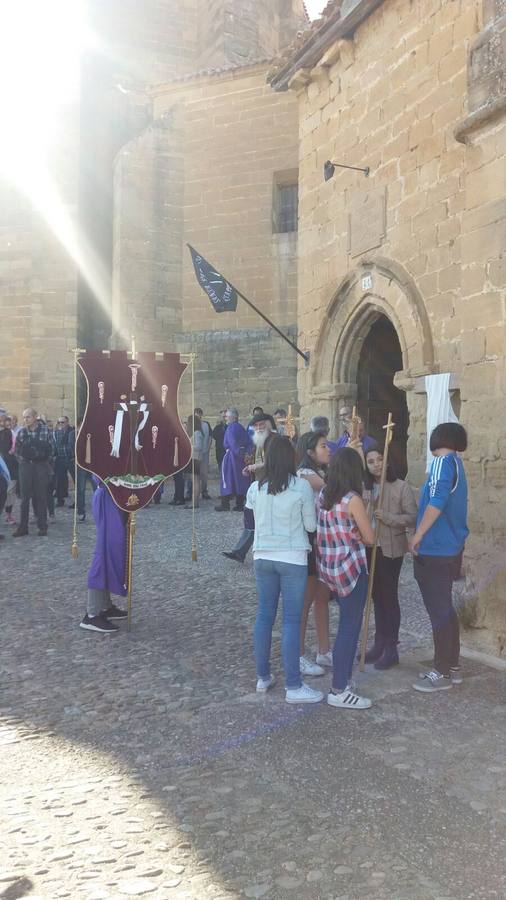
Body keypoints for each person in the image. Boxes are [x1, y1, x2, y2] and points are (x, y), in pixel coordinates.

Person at [246, 436, 324, 704]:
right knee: (291, 620)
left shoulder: (256, 488)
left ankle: (263, 676)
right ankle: (293, 685)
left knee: (264, 615)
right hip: (292, 556)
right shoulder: (301, 487)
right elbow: (311, 527)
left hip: (263, 555)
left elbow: (251, 519)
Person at [410, 422, 469, 693]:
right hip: (450, 547)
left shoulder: (442, 462)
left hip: (436, 548)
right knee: (445, 609)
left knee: (438, 612)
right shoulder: (456, 464)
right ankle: (452, 667)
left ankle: (441, 671)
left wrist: (418, 534)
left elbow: (437, 500)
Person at [317, 447, 375, 710]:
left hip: (329, 567)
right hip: (351, 569)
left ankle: (343, 681)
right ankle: (339, 688)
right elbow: (371, 537)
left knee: (346, 625)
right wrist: (360, 534)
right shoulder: (352, 499)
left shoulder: (323, 495)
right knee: (349, 629)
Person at [362, 445, 417, 669]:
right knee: (376, 596)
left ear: (387, 461)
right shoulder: (365, 488)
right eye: (371, 461)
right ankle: (379, 643)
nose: (376, 464)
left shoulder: (401, 487)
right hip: (369, 546)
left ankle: (391, 648)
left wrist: (388, 517)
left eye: (380, 459)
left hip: (390, 549)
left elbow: (411, 517)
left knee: (389, 597)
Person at [296, 431, 332, 676]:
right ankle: (297, 654)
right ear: (310, 452)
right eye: (323, 446)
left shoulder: (321, 472)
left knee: (323, 597)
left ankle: (324, 649)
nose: (327, 449)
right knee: (305, 600)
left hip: (324, 540)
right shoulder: (305, 475)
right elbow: (331, 489)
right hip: (310, 541)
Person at [222, 412, 275, 563]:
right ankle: (241, 551)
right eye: (256, 425)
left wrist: (253, 466)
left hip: (272, 485)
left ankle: (252, 552)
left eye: (261, 425)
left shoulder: (274, 441)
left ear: (269, 425)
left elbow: (273, 462)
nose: (258, 428)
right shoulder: (260, 440)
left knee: (260, 521)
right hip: (260, 484)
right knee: (252, 519)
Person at [80, 479, 128, 633]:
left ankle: (105, 606)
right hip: (108, 496)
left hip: (115, 496)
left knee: (111, 552)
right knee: (103, 554)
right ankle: (92, 614)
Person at [13, 408, 54, 537]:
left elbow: (52, 448)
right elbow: (17, 450)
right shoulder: (21, 432)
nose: (25, 420)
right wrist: (23, 460)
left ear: (35, 417)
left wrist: (42, 458)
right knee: (24, 498)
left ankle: (42, 526)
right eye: (24, 417)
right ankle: (23, 527)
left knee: (41, 497)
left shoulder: (45, 430)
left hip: (40, 466)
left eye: (28, 417)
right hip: (25, 467)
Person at [215, 408, 253, 512]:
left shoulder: (230, 428)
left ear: (233, 417)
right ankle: (239, 504)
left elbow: (232, 443)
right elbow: (249, 442)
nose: (225, 417)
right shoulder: (240, 427)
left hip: (232, 457)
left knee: (227, 479)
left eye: (227, 416)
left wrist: (239, 453)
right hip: (240, 458)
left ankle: (225, 504)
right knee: (240, 479)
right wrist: (246, 454)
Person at [54, 415, 76, 507]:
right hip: (60, 459)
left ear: (67, 422)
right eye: (59, 422)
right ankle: (60, 500)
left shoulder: (72, 432)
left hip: (70, 459)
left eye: (62, 422)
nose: (61, 424)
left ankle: (77, 501)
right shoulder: (56, 433)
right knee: (60, 480)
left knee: (76, 480)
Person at [0, 413, 17, 524]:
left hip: (9, 466)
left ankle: (8, 515)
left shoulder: (11, 433)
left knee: (10, 492)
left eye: (7, 420)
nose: (5, 422)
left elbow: (14, 448)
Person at [185, 413, 204, 508]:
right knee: (194, 481)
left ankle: (194, 502)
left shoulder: (197, 433)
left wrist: (188, 446)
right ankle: (194, 502)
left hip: (195, 458)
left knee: (195, 481)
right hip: (193, 458)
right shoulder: (196, 432)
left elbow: (199, 446)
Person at [195, 407, 213, 499]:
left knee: (204, 473)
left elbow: (210, 437)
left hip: (204, 452)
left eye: (199, 415)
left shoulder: (206, 425)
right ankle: (190, 492)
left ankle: (204, 491)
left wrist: (208, 448)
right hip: (194, 453)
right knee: (193, 474)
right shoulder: (192, 425)